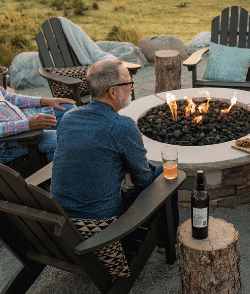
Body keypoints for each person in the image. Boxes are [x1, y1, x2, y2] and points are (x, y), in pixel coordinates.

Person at [50, 59, 172, 225]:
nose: (133, 87)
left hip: (62, 218)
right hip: (101, 224)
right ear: (113, 92)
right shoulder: (121, 126)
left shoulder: (69, 117)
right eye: (129, 83)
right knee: (167, 174)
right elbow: (143, 180)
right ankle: (167, 240)